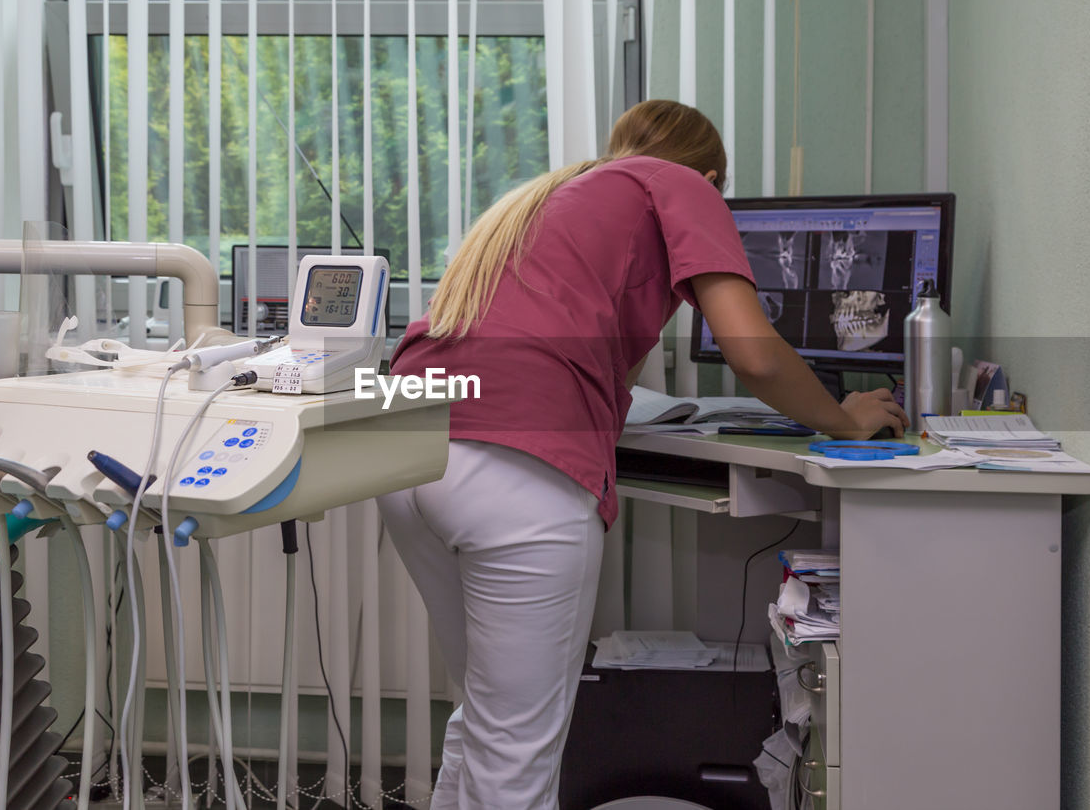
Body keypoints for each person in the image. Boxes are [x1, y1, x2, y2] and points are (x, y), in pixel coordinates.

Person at [376, 99, 907, 809]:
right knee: (517, 760)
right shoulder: (678, 183)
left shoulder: (551, 195)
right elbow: (754, 351)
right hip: (513, 467)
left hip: (408, 449)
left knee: (484, 719)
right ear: (710, 178)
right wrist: (842, 417)